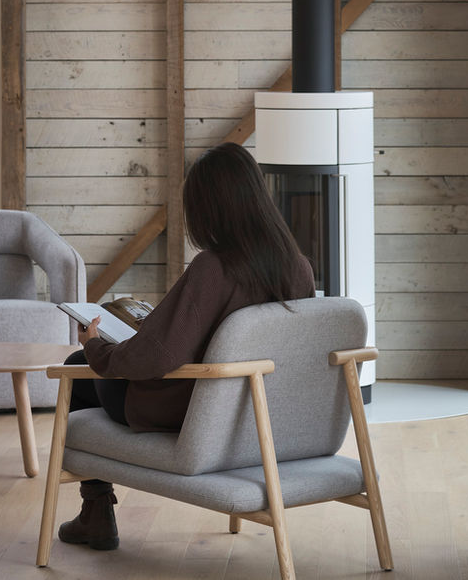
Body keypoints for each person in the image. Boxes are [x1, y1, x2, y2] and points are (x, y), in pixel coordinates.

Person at [58, 142, 316, 551]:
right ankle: (94, 512)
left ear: (210, 207)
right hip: (256, 416)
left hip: (190, 411)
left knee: (78, 367)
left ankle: (95, 513)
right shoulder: (298, 267)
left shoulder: (213, 267)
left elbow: (156, 356)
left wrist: (95, 348)